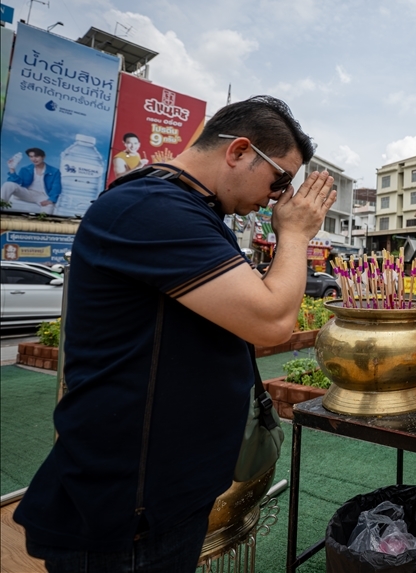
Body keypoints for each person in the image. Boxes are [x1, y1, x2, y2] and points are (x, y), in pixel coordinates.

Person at [14, 96, 336, 572]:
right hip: (129, 508)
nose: (278, 198)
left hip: (161, 496)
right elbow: (270, 319)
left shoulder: (186, 209)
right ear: (240, 151)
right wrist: (295, 236)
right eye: (281, 180)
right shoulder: (153, 208)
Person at [2, 147, 62, 213]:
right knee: (8, 184)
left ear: (43, 157)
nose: (34, 159)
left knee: (49, 206)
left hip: (42, 195)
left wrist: (51, 200)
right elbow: (17, 182)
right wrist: (12, 169)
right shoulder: (25, 169)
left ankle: (42, 223)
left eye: (36, 156)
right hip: (27, 192)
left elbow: (56, 187)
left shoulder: (54, 171)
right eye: (31, 157)